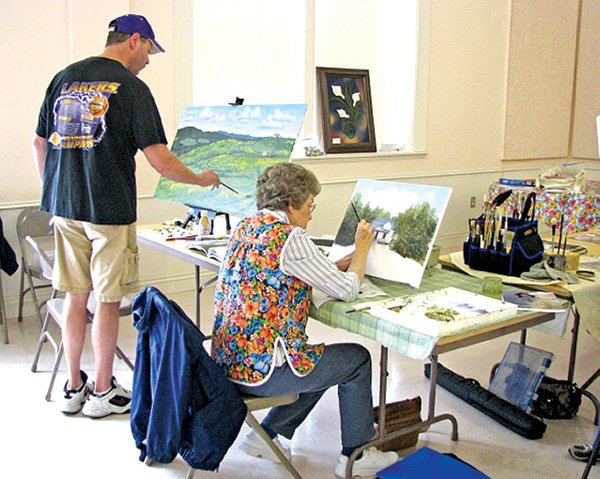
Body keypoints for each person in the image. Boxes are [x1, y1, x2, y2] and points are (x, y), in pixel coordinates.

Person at [32, 14, 220, 418]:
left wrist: (54, 190)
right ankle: (102, 391)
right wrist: (201, 179)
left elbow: (38, 142)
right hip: (109, 211)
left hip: (66, 209)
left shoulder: (64, 77)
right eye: (149, 50)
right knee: (106, 300)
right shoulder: (133, 89)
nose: (149, 60)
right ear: (134, 40)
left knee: (74, 296)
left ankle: (73, 386)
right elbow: (161, 159)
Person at [211, 163, 399, 478]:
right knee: (356, 360)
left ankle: (267, 435)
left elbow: (284, 273)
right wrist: (363, 249)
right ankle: (358, 455)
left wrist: (333, 267)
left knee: (319, 359)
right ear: (291, 205)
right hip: (263, 372)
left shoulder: (247, 225)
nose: (311, 214)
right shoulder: (291, 237)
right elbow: (350, 290)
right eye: (310, 206)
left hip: (231, 363)